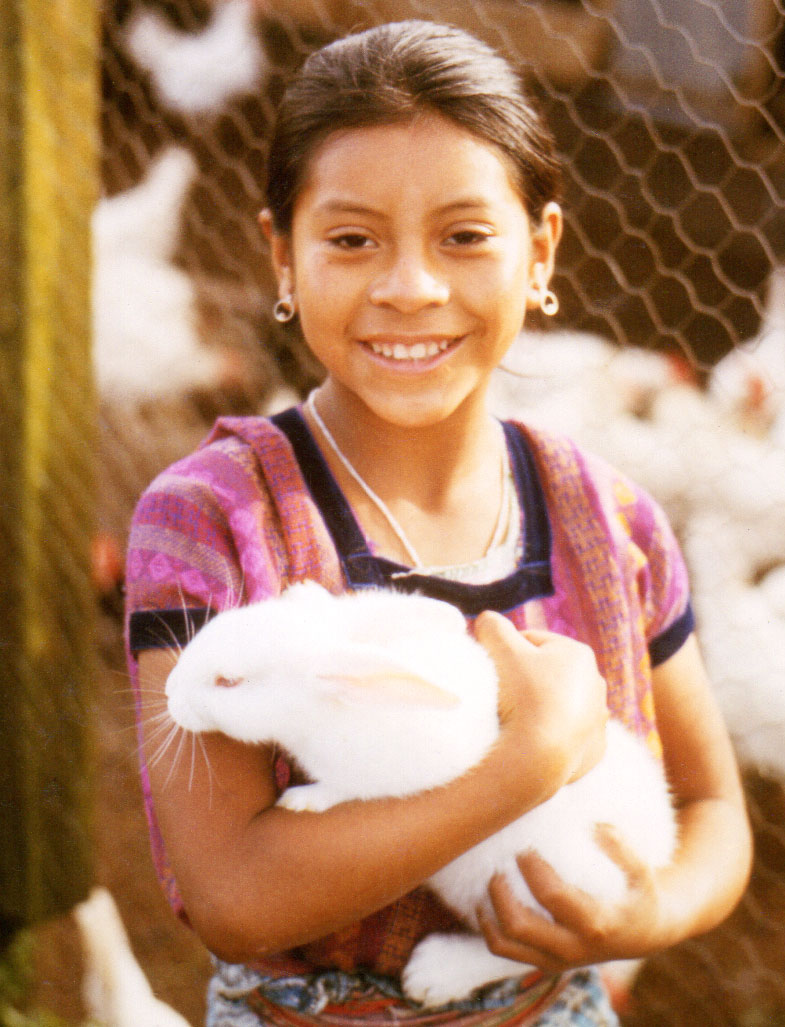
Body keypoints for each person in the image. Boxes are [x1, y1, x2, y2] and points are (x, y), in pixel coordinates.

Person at [126, 20, 752, 1027]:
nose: (409, 287)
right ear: (281, 257)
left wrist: (647, 912)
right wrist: (524, 763)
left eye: (463, 236)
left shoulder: (611, 522)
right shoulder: (213, 520)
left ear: (538, 252)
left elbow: (714, 808)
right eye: (350, 239)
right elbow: (233, 898)